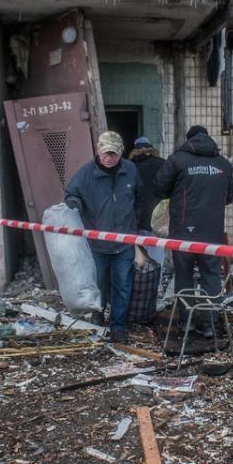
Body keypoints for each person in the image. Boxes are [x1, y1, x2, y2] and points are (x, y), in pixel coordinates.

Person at [153, 125, 233, 335]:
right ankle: (208, 325)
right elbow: (229, 198)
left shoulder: (177, 160)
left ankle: (187, 322)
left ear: (189, 140)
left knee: (184, 277)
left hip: (183, 232)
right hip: (213, 233)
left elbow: (159, 188)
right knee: (211, 277)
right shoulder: (224, 165)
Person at [64, 131, 142, 343]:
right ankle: (97, 316)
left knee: (123, 285)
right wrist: (74, 206)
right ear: (98, 151)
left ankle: (118, 326)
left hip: (124, 241)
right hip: (97, 244)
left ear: (121, 153)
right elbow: (71, 194)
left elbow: (139, 199)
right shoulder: (85, 173)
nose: (109, 158)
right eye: (105, 153)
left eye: (113, 154)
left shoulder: (131, 170)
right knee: (96, 283)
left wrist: (139, 228)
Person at [128, 136, 166, 266]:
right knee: (157, 252)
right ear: (151, 148)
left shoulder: (129, 166)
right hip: (156, 217)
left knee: (138, 254)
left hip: (136, 218)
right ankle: (157, 279)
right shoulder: (162, 164)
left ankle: (141, 281)